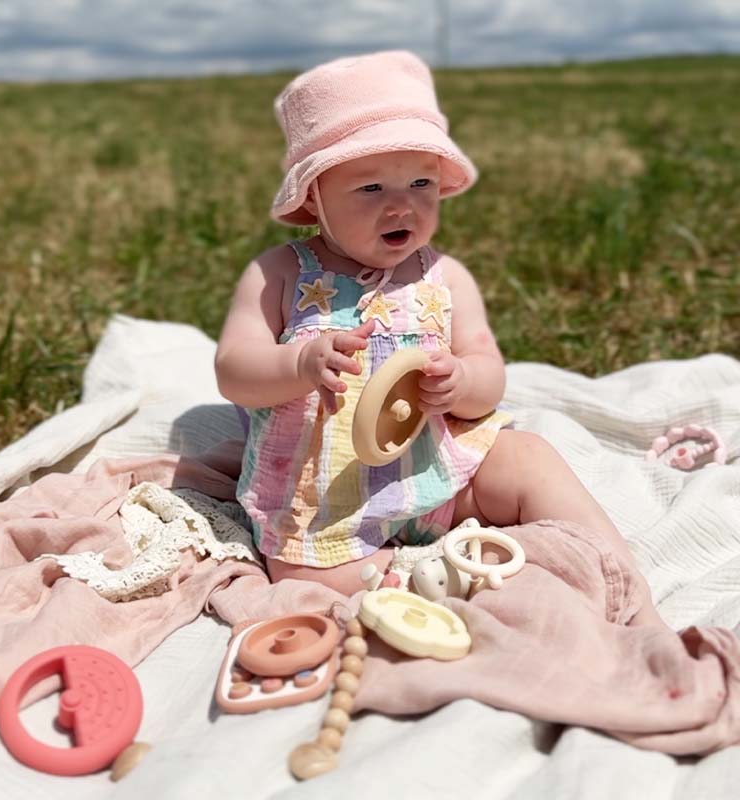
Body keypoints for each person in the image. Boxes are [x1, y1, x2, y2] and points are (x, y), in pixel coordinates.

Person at [215, 50, 663, 626]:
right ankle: (426, 579)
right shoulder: (280, 274)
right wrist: (299, 365)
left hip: (439, 479)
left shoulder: (444, 277)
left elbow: (488, 374)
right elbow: (234, 370)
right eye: (371, 187)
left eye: (421, 182)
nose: (402, 204)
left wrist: (463, 381)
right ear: (313, 197)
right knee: (302, 578)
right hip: (325, 506)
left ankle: (624, 587)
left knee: (528, 456)